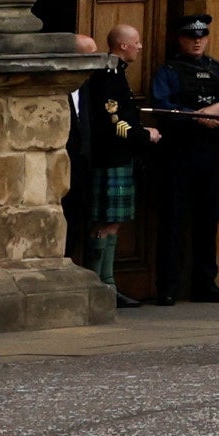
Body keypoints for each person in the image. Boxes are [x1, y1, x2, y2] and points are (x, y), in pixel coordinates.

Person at [145, 19, 219, 308]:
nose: (197, 42)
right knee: (173, 220)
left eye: (202, 37)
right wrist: (195, 115)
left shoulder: (218, 69)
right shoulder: (170, 71)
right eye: (190, 37)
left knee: (208, 220)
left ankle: (204, 282)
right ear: (180, 39)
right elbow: (160, 104)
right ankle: (168, 286)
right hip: (178, 153)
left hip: (210, 154)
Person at [64, 24, 149, 295]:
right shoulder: (106, 77)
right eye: (136, 42)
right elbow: (113, 120)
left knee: (113, 221)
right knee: (105, 221)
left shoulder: (115, 74)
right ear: (123, 45)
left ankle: (107, 281)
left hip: (117, 155)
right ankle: (100, 284)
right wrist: (142, 135)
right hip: (107, 156)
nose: (140, 46)